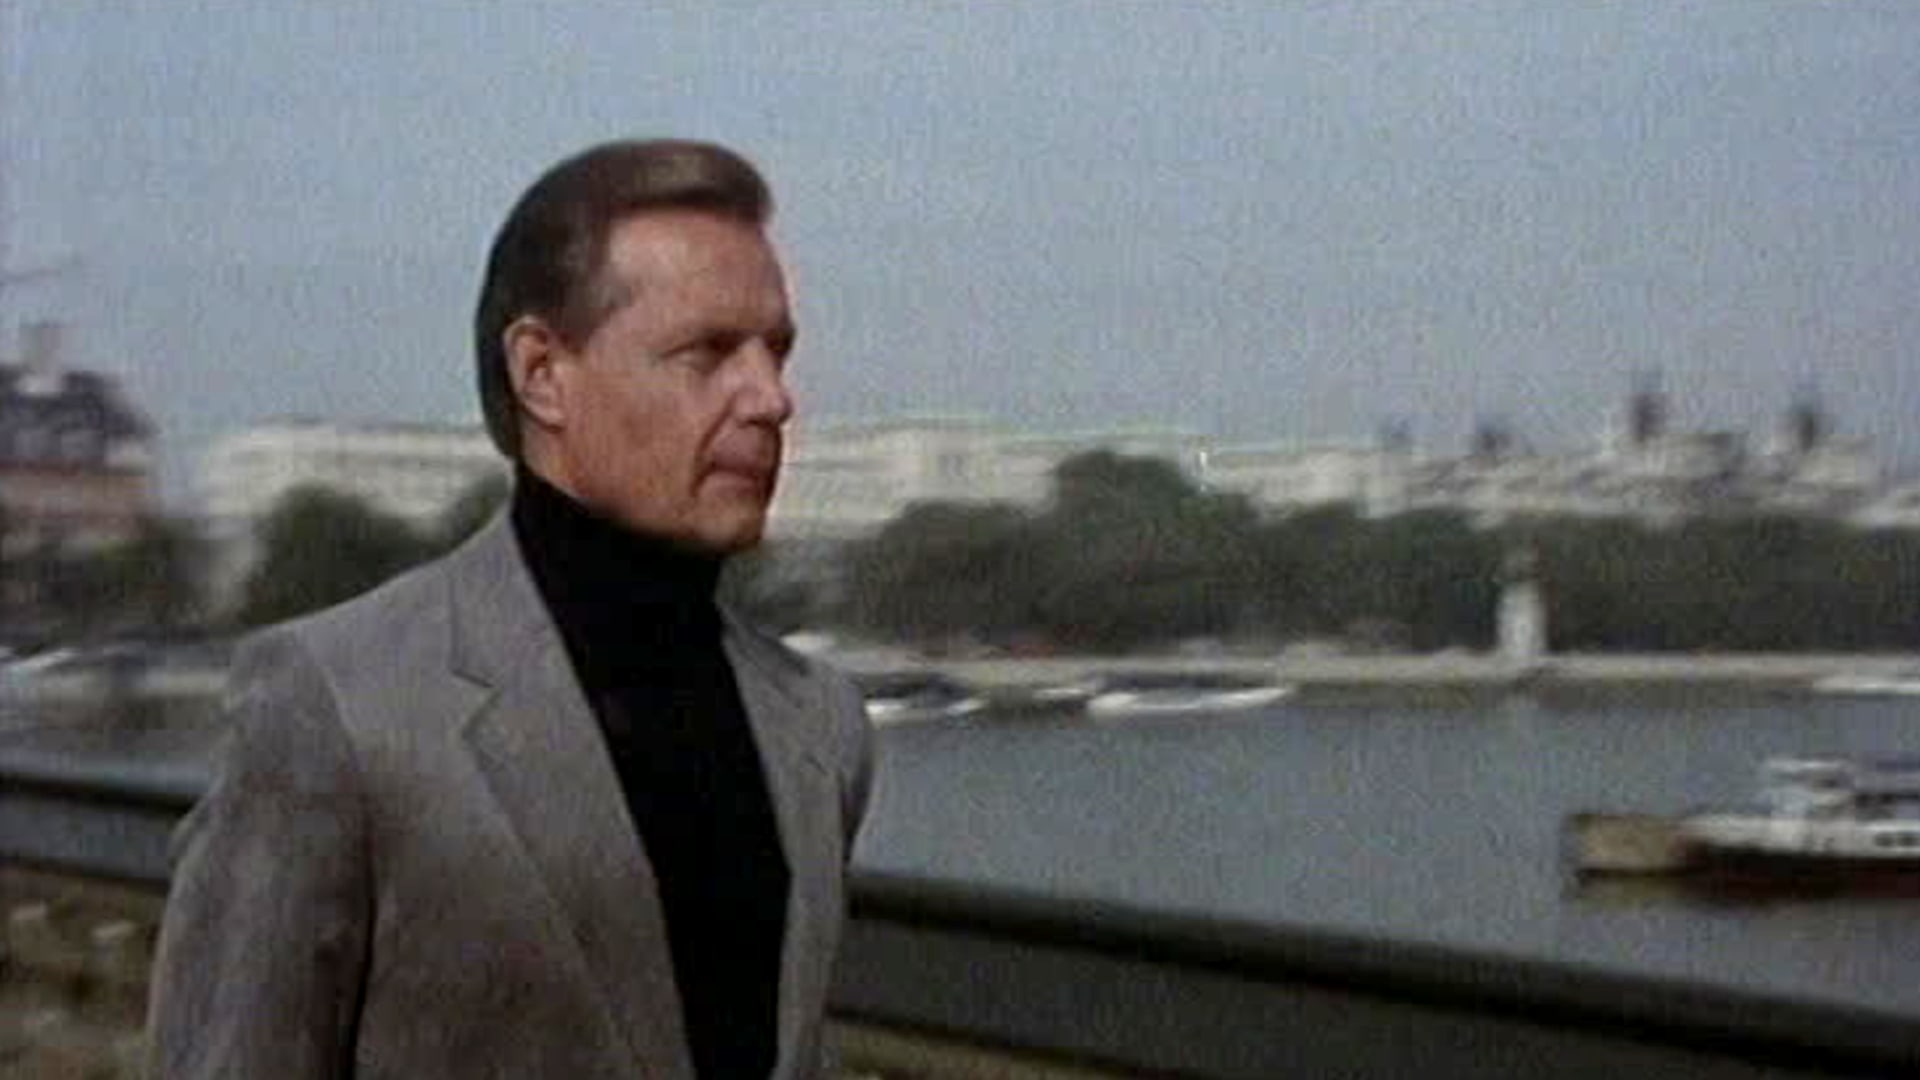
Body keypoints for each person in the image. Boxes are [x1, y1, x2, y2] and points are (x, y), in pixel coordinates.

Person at [147, 139, 876, 1079]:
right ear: (542, 374)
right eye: (709, 352)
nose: (772, 399)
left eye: (777, 351)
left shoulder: (820, 726)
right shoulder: (338, 704)